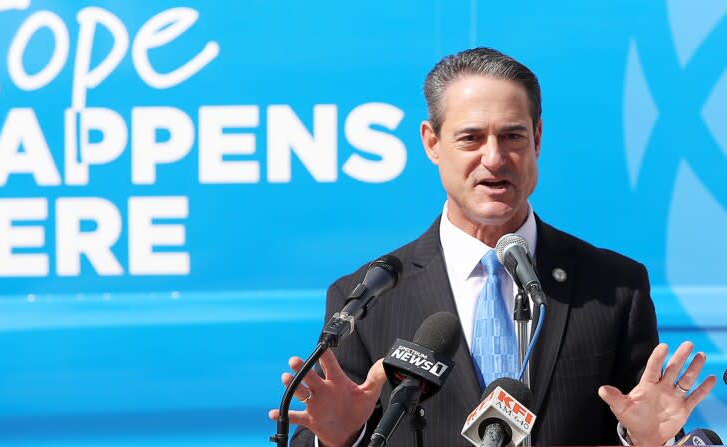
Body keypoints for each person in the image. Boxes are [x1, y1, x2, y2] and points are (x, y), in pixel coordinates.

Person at [268, 48, 717, 446]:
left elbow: (649, 423)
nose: (494, 157)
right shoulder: (369, 296)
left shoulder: (614, 287)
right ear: (432, 142)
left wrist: (643, 439)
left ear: (537, 138)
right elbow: (323, 433)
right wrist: (345, 438)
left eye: (512, 136)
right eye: (471, 138)